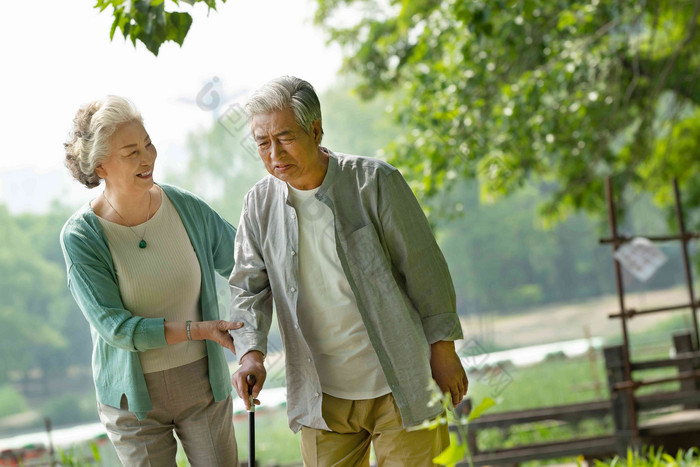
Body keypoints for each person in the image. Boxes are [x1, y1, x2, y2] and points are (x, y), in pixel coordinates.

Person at [229, 76, 468, 466]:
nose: (274, 153)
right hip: (321, 399)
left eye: (285, 137)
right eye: (262, 143)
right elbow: (247, 289)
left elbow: (426, 270)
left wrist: (443, 349)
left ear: (316, 129)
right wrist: (250, 355)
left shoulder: (375, 182)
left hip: (400, 382)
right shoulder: (258, 205)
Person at [60, 95, 242, 467]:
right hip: (132, 401)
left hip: (203, 385)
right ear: (101, 165)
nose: (147, 158)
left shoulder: (186, 208)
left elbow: (246, 264)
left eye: (148, 144)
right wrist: (199, 330)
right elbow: (117, 328)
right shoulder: (81, 237)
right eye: (131, 152)